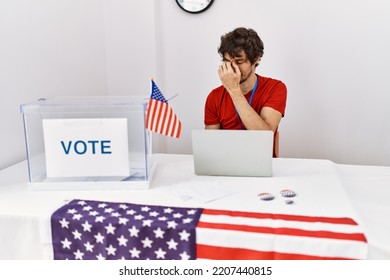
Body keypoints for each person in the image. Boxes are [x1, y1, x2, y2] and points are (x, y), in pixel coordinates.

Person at [204, 27, 287, 157]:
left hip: (261, 163)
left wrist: (233, 90)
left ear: (256, 59)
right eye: (227, 62)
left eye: (239, 62)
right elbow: (210, 148)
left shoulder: (276, 88)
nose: (232, 68)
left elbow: (265, 137)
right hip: (226, 164)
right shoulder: (214, 96)